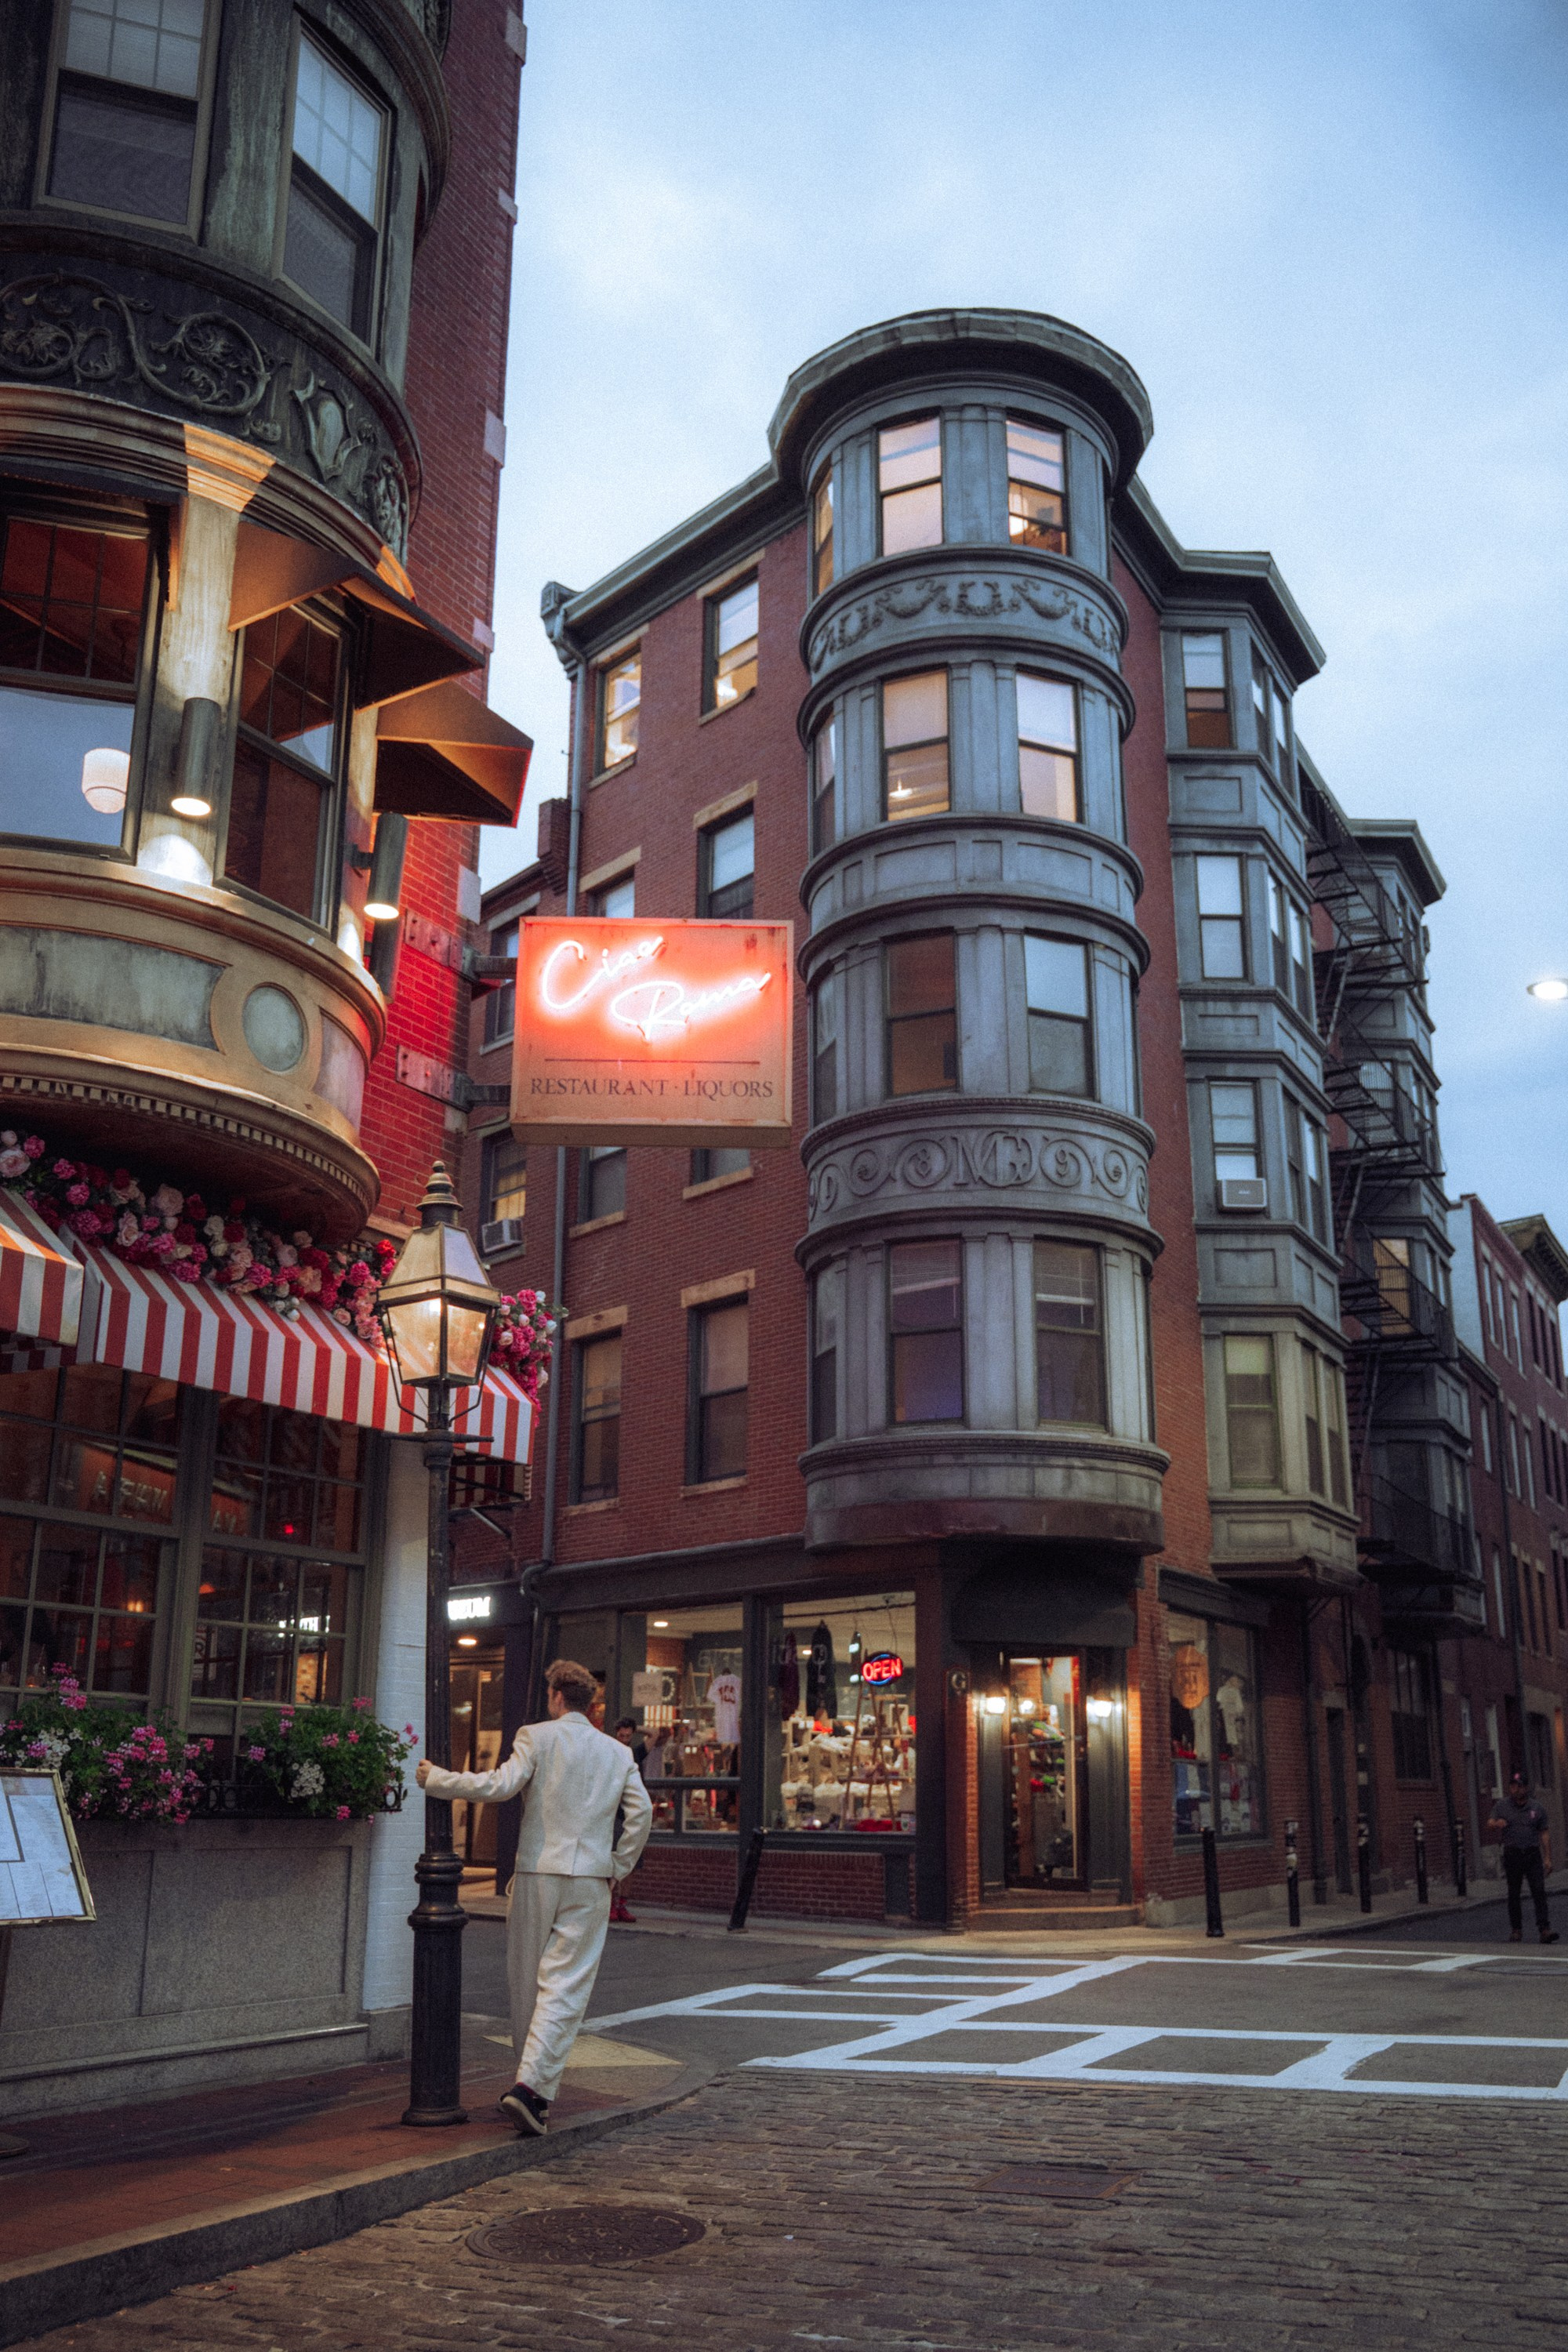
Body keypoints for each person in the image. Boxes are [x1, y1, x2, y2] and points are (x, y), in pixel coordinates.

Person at [416, 1657, 652, 2136]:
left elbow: (500, 1785)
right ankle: (532, 2089)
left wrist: (438, 1779)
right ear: (591, 1704)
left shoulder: (536, 1736)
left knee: (527, 1983)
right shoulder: (617, 1753)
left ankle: (528, 2088)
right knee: (565, 1986)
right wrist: (617, 1866)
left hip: (537, 1871)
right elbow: (641, 1814)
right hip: (590, 1879)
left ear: (556, 1697)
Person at [1487, 1769, 1560, 1944]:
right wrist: (1497, 1823)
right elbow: (1489, 1823)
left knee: (1538, 1891)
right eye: (1513, 1786)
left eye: (1519, 1786)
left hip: (1532, 1854)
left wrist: (1548, 1858)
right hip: (1513, 1854)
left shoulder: (1536, 1808)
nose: (1516, 1789)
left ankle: (1544, 1929)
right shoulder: (1502, 1806)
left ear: (1525, 1788)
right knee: (1514, 1893)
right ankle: (1516, 1930)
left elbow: (1544, 1833)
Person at [608, 1717, 646, 1924]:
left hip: (633, 1815)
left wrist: (636, 1726)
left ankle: (622, 1905)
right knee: (613, 1862)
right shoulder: (611, 1752)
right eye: (621, 1735)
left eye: (627, 1735)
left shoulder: (637, 1753)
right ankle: (611, 1905)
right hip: (615, 1815)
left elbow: (656, 1734)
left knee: (631, 1864)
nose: (624, 1739)